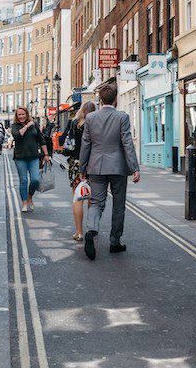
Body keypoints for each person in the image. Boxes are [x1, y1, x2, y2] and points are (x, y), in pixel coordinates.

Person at [79, 84, 139, 260]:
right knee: (118, 204)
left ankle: (91, 230)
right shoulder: (122, 117)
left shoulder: (90, 118)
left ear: (100, 100)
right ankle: (114, 242)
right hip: (118, 168)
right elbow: (127, 143)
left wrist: (82, 168)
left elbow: (86, 145)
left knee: (96, 203)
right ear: (116, 99)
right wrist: (135, 168)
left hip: (96, 166)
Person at [60, 101, 96, 241]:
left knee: (78, 196)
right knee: (93, 197)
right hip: (94, 164)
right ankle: (91, 229)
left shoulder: (74, 124)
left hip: (76, 163)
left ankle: (79, 232)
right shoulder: (95, 123)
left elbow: (64, 140)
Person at [11, 107, 50, 213]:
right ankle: (24, 203)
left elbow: (41, 140)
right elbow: (17, 136)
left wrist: (46, 154)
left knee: (35, 180)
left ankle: (30, 196)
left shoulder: (35, 126)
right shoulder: (15, 126)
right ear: (17, 116)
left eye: (23, 114)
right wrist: (28, 125)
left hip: (34, 157)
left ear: (27, 114)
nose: (21, 116)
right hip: (20, 158)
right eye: (19, 115)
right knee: (23, 181)